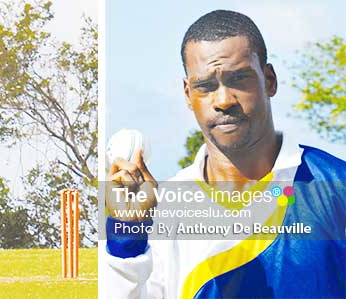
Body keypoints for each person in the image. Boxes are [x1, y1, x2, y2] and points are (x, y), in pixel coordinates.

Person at [101, 10, 346, 298]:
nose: (223, 100)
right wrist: (126, 238)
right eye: (205, 86)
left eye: (239, 79)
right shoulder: (159, 210)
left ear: (269, 80)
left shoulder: (336, 187)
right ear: (187, 94)